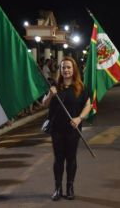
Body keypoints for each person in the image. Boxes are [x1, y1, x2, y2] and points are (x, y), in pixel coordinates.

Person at [42, 56, 91, 201]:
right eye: (63, 67)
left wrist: (79, 118)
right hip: (57, 128)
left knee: (71, 158)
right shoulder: (55, 86)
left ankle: (70, 187)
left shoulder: (81, 87)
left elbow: (88, 106)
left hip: (73, 129)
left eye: (69, 67)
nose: (66, 70)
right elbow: (44, 104)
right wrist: (50, 94)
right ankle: (58, 188)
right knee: (58, 159)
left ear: (74, 69)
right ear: (60, 70)